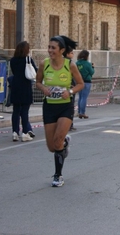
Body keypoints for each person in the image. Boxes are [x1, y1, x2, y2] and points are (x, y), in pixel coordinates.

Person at [35, 35, 84, 187]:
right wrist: (44, 88)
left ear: (62, 50)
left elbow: (80, 84)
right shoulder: (45, 64)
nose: (50, 50)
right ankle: (65, 142)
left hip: (65, 106)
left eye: (53, 48)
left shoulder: (70, 65)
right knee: (52, 147)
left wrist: (69, 92)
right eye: (49, 47)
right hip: (49, 106)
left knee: (57, 142)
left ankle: (58, 175)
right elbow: (37, 82)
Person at [10, 41, 37, 142]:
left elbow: (13, 71)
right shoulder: (28, 59)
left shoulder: (12, 60)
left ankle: (15, 132)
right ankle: (25, 132)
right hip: (25, 86)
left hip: (15, 85)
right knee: (25, 111)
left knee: (16, 111)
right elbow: (34, 71)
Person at [76, 50, 94, 119]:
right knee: (84, 97)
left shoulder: (77, 63)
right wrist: (93, 67)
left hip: (79, 81)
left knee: (80, 97)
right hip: (86, 81)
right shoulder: (87, 64)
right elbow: (92, 72)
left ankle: (79, 111)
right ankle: (82, 113)